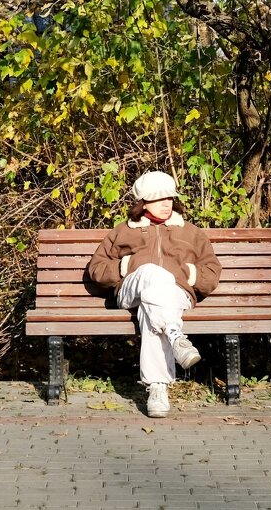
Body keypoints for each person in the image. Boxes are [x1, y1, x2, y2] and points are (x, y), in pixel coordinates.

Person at [86, 170, 221, 418]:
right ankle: (175, 335)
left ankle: (157, 388)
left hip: (176, 295)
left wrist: (191, 276)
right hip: (131, 293)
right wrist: (124, 268)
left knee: (153, 308)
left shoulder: (190, 232)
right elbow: (96, 269)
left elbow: (211, 269)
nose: (166, 204)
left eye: (169, 198)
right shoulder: (123, 232)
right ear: (143, 203)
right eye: (159, 199)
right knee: (151, 272)